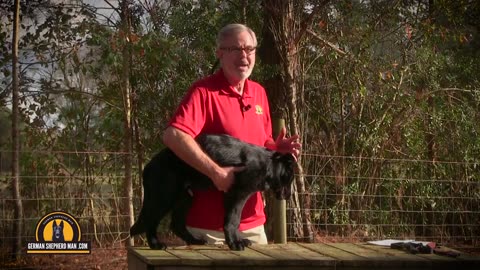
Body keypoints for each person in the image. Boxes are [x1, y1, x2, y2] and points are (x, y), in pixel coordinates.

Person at [162, 23, 301, 245]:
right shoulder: (204, 92)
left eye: (250, 49)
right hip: (208, 231)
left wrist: (275, 150)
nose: (244, 56)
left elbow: (260, 144)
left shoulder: (259, 93)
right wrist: (216, 172)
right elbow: (173, 136)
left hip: (254, 227)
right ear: (220, 53)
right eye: (236, 49)